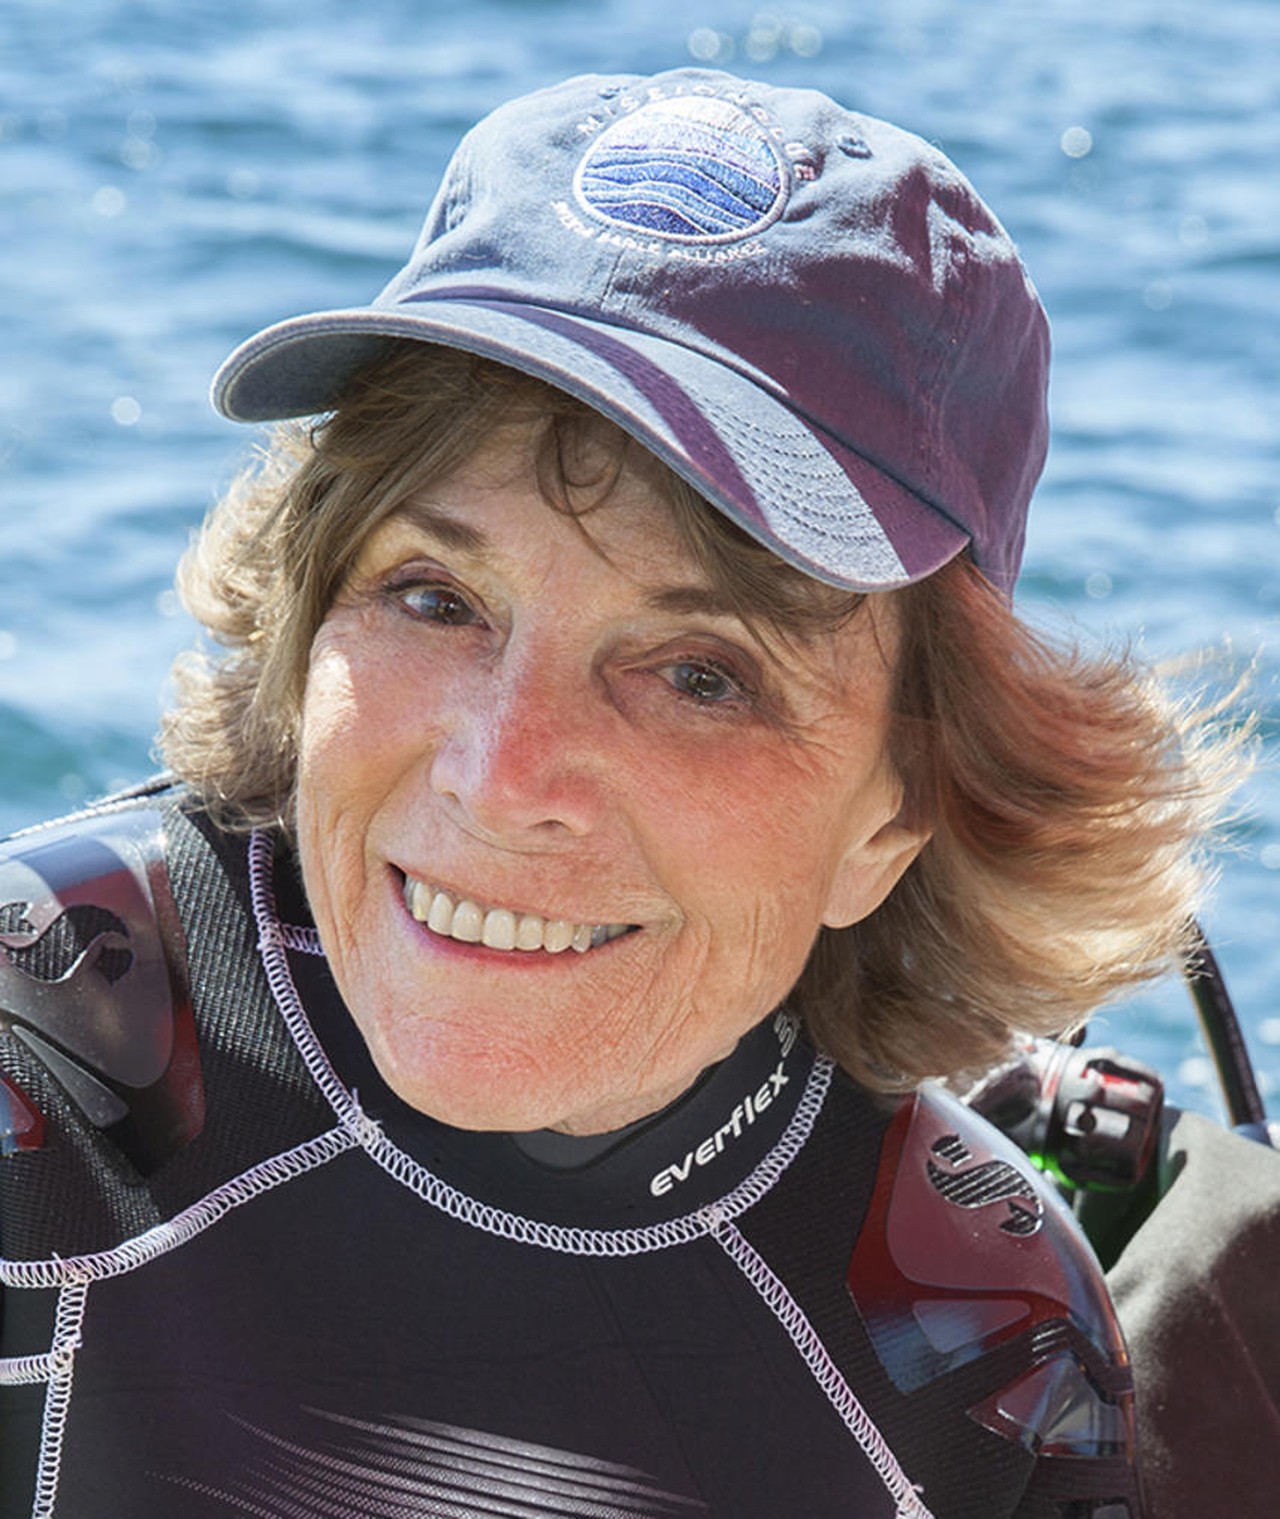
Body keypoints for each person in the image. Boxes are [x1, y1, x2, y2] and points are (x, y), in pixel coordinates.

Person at [0, 67, 1238, 1517]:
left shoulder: (987, 1344)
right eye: (434, 597)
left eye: (700, 674)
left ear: (898, 814)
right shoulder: (38, 1063)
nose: (500, 773)